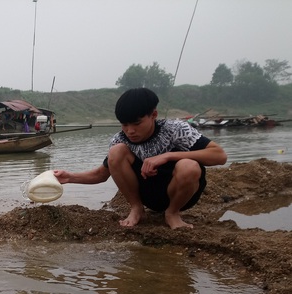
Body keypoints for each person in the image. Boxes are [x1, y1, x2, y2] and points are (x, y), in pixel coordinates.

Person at [53, 88, 227, 229]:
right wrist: (69, 177)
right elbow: (102, 174)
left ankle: (172, 213)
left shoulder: (175, 129)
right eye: (124, 125)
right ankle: (137, 209)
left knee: (189, 166)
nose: (130, 131)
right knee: (116, 151)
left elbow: (219, 156)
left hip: (180, 194)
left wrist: (168, 156)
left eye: (136, 124)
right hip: (148, 195)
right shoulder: (120, 140)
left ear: (153, 115)